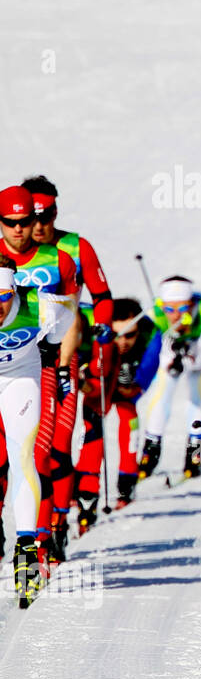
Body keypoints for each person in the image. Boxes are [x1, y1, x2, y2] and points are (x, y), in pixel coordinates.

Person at [27, 176, 114, 546]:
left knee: (56, 445)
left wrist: (103, 327)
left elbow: (103, 296)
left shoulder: (75, 247)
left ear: (56, 211)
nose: (38, 225)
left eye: (46, 215)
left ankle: (56, 524)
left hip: (65, 353)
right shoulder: (9, 254)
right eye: (30, 217)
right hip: (19, 356)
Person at [0, 185, 81, 558]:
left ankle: (30, 542)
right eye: (9, 223)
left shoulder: (52, 281)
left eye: (25, 221)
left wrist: (60, 362)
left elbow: (70, 318)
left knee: (30, 453)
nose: (19, 230)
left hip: (25, 372)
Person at [0, 253, 77, 606]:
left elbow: (67, 316)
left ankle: (27, 548)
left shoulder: (41, 306)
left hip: (19, 378)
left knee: (22, 457)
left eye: (3, 298)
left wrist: (51, 347)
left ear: (13, 289)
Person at [73, 298, 156, 524]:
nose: (123, 341)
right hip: (102, 368)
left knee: (128, 413)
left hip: (128, 379)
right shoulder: (96, 331)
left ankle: (127, 480)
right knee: (93, 415)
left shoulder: (150, 335)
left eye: (130, 335)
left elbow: (142, 381)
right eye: (117, 334)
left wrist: (130, 388)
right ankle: (82, 481)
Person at [137, 276, 201, 482]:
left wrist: (186, 358)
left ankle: (196, 451)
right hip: (171, 351)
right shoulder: (152, 315)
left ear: (191, 304)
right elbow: (153, 350)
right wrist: (172, 356)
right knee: (162, 390)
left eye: (182, 308)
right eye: (169, 309)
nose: (175, 315)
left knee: (196, 388)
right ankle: (151, 450)